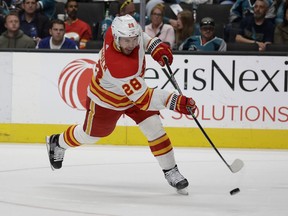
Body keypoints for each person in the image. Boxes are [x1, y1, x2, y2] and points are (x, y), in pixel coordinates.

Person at [46, 14, 197, 194]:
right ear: (116, 38)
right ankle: (58, 142)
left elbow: (140, 35)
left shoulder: (119, 30)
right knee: (90, 135)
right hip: (106, 101)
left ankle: (171, 170)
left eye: (133, 40)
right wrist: (176, 101)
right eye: (126, 41)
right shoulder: (118, 65)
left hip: (135, 90)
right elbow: (145, 99)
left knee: (154, 127)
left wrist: (155, 46)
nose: (131, 45)